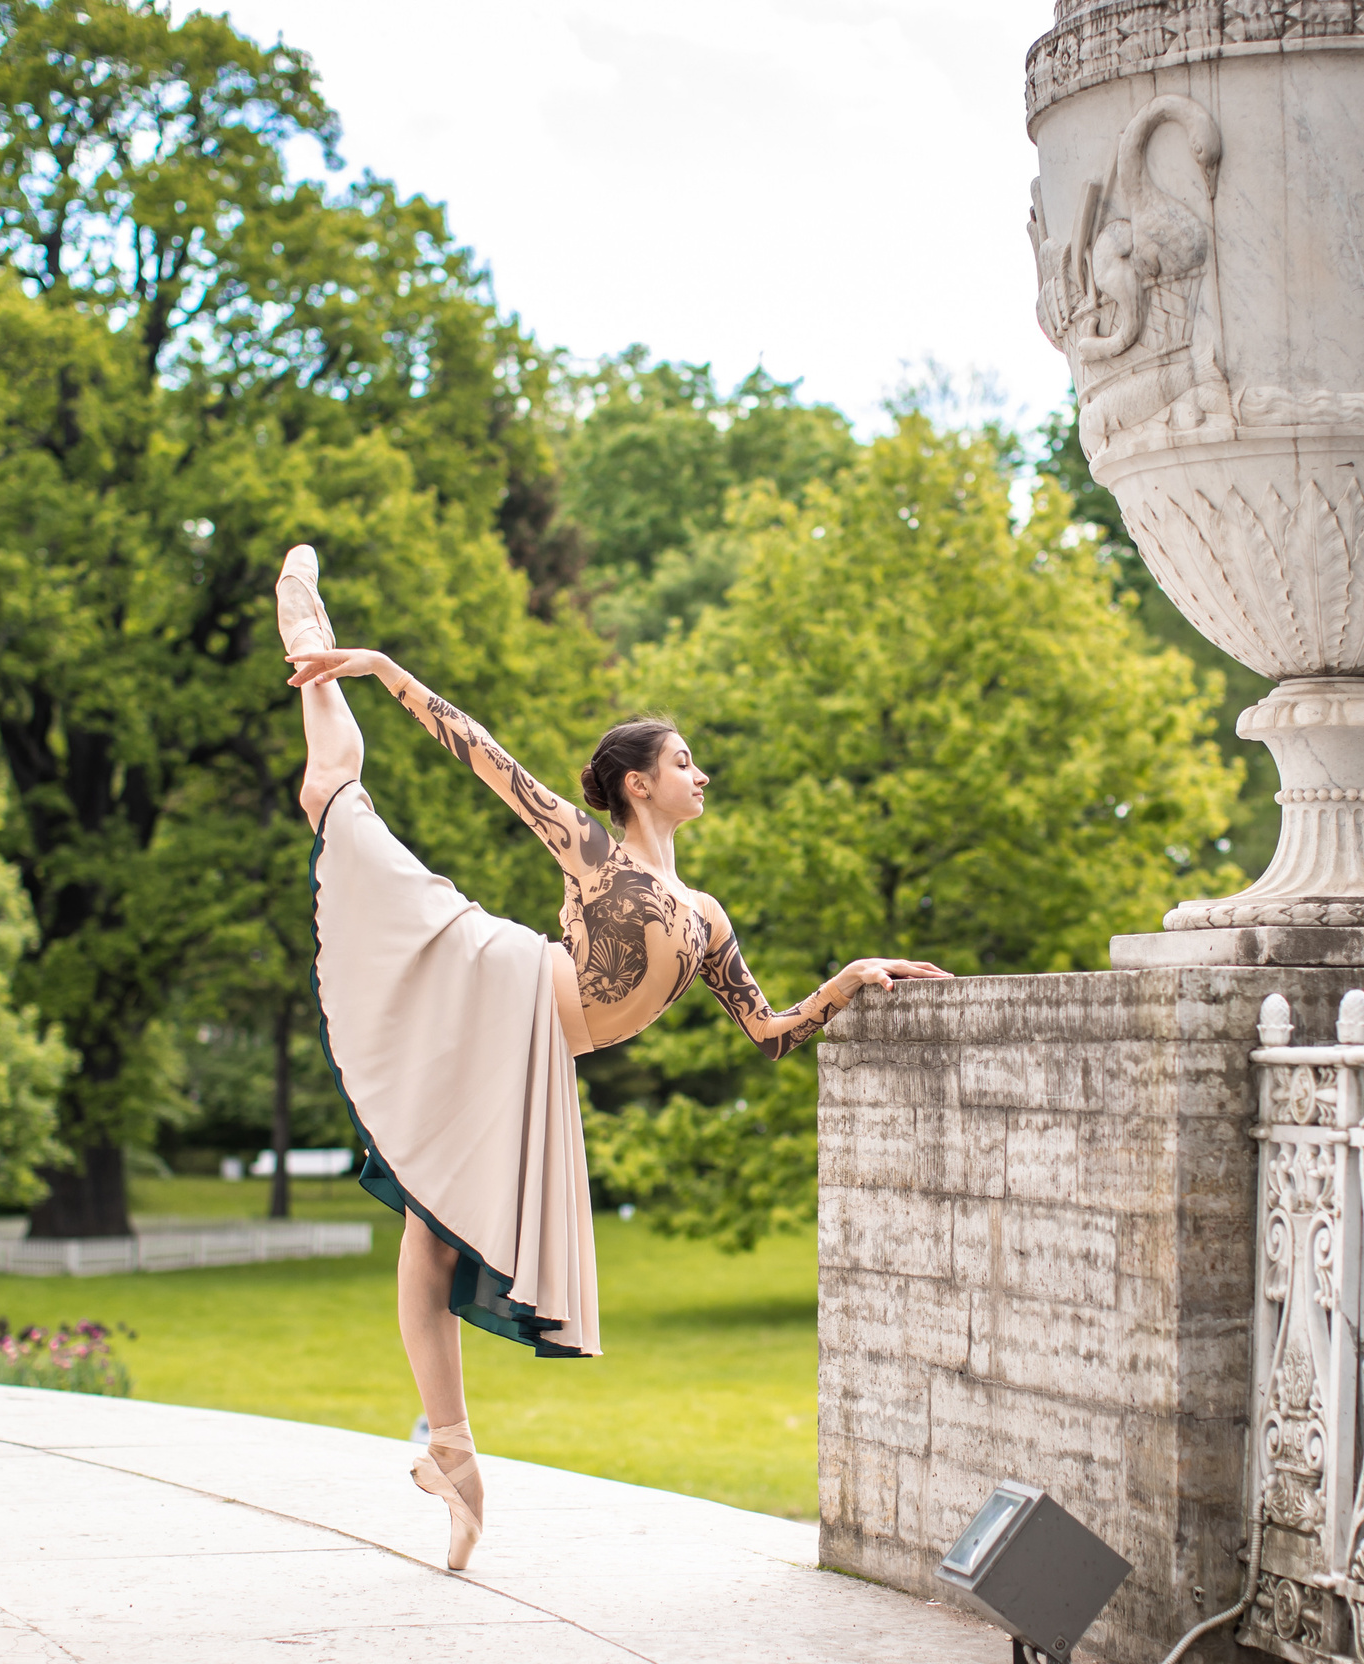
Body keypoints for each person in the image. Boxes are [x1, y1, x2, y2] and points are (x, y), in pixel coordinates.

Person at [275, 545, 949, 1570]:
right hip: (496, 984)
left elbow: (768, 1034)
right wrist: (381, 670)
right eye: (684, 762)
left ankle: (449, 1455)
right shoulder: (597, 855)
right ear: (637, 784)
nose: (701, 773)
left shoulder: (708, 917)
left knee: (436, 1224)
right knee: (338, 804)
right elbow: (487, 757)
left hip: (534, 1047)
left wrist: (846, 980)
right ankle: (314, 647)